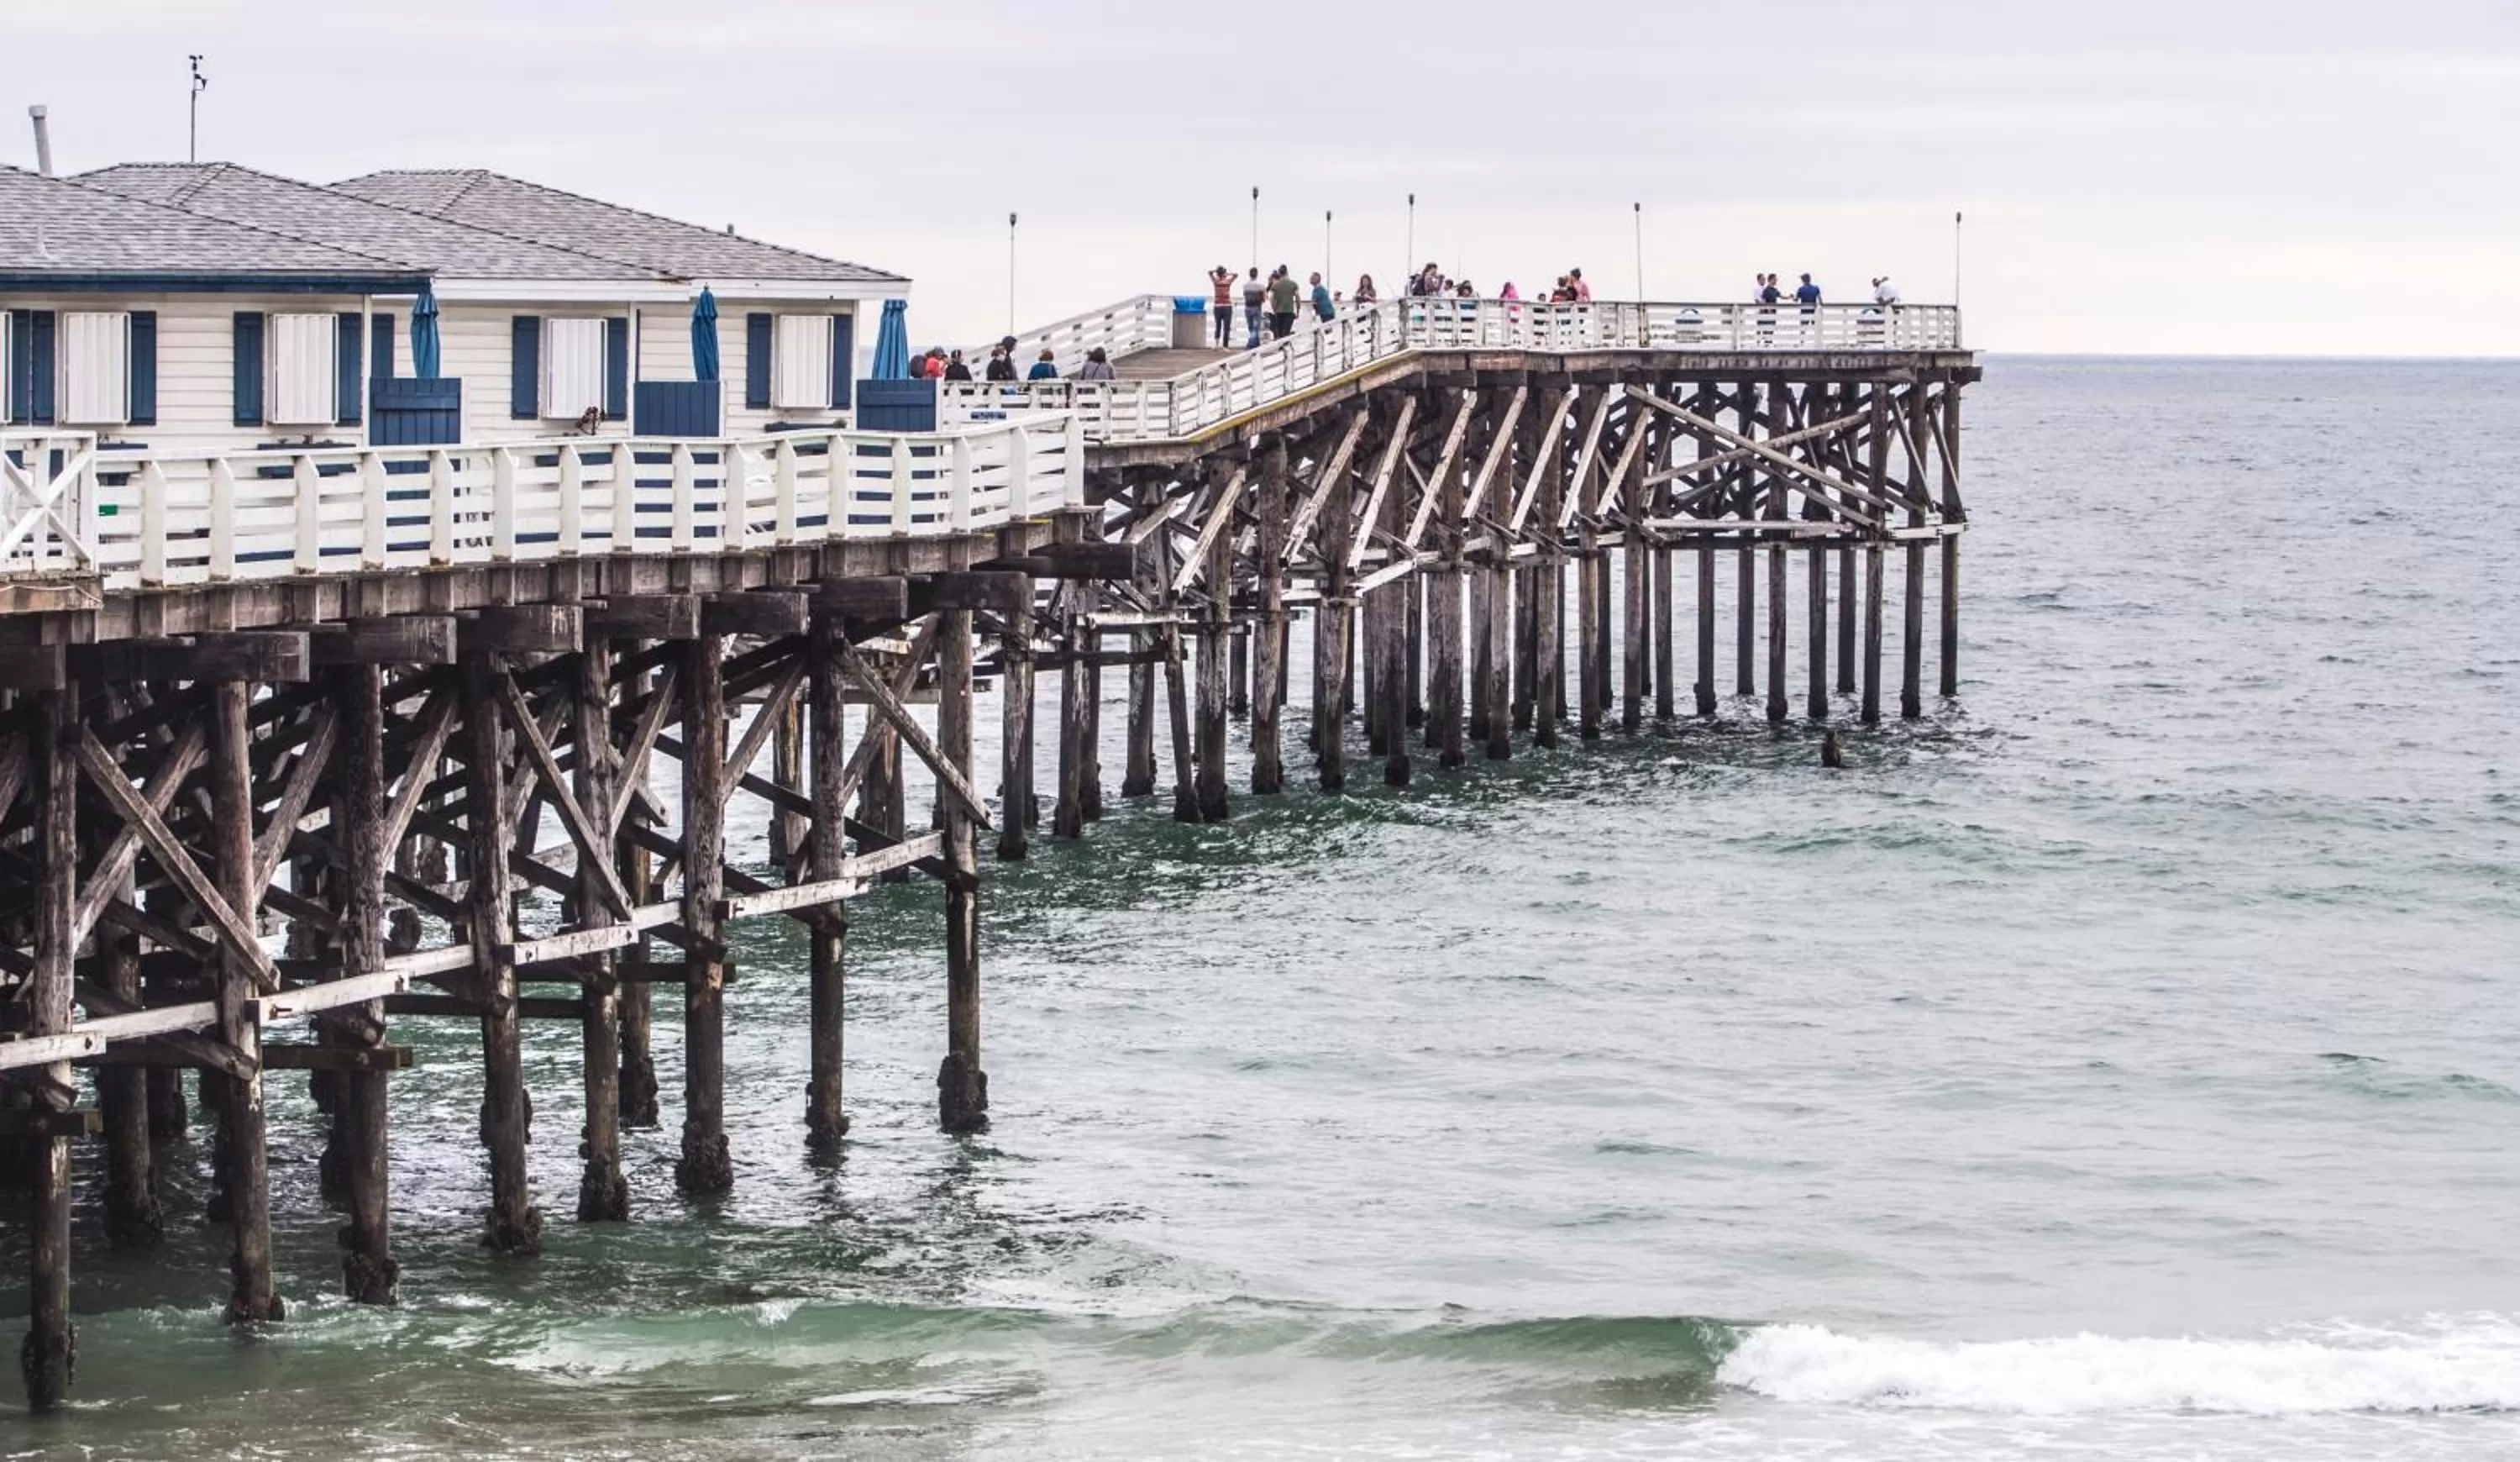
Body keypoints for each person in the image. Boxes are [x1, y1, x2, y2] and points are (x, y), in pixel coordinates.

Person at [1267, 266, 1299, 339]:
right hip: (1289, 311)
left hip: (1279, 312)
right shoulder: (1293, 284)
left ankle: (1281, 348)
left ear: (1279, 273)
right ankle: (1285, 348)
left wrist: (1274, 309)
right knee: (1286, 333)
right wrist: (1298, 311)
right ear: (1287, 272)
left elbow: (1271, 298)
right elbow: (1298, 298)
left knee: (1280, 334)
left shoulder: (1275, 285)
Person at [1209, 264, 1237, 348]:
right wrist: (1226, 274)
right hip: (1227, 306)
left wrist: (1217, 272)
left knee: (1218, 326)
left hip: (1218, 306)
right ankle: (1225, 346)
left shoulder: (1216, 281)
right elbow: (1236, 275)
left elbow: (1209, 273)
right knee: (1226, 327)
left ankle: (1217, 344)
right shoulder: (1227, 281)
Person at [1242, 267, 1267, 350]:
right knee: (1255, 327)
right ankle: (1251, 344)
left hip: (1247, 307)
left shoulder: (1245, 286)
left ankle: (1255, 343)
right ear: (1257, 274)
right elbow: (1264, 298)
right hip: (1256, 307)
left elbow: (1245, 295)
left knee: (1250, 327)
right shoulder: (1261, 286)